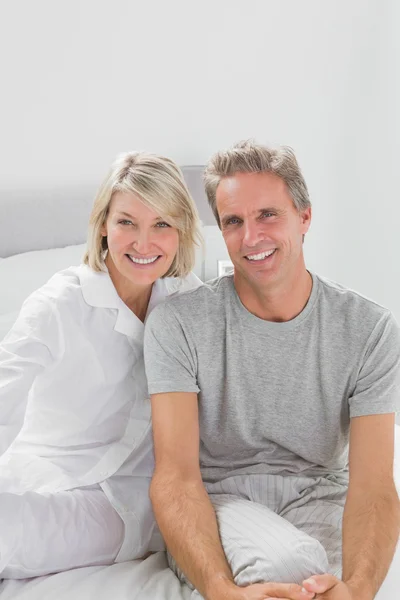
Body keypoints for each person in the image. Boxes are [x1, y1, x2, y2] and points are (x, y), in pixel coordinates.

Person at [144, 140, 400, 600]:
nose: (251, 238)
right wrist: (220, 589)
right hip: (220, 501)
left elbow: (374, 483)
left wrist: (360, 592)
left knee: (325, 586)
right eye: (233, 222)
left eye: (268, 215)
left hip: (321, 495)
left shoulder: (370, 329)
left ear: (304, 217)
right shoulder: (178, 324)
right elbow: (175, 477)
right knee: (292, 565)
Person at [0, 151, 202, 579]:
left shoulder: (190, 302)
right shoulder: (59, 305)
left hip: (119, 503)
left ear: (181, 230)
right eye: (127, 222)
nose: (143, 243)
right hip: (36, 475)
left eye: (162, 224)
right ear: (104, 226)